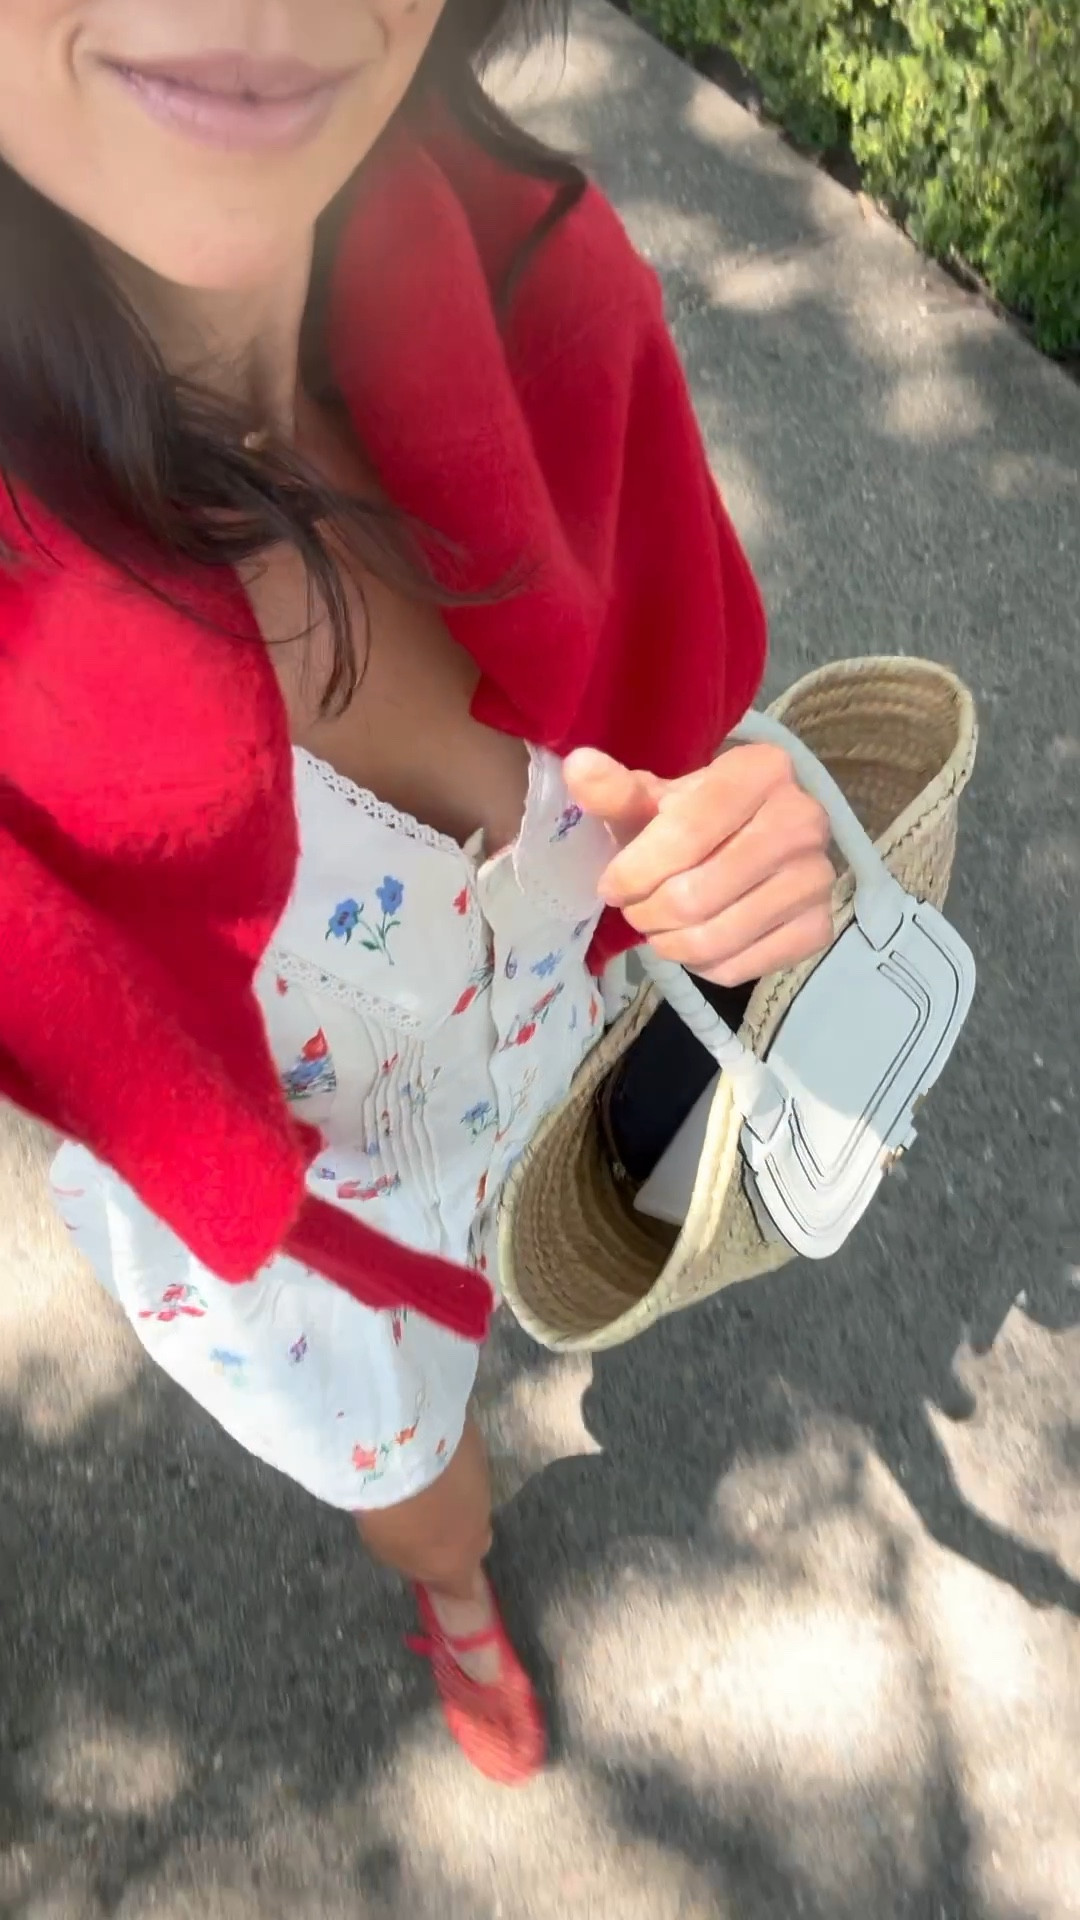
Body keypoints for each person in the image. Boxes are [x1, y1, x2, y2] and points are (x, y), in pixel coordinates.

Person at [0, 0, 835, 1785]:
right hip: (318, 1236)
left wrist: (758, 825)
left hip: (559, 1050)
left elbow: (685, 718)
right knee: (418, 1472)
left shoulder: (556, 292)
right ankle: (453, 1594)